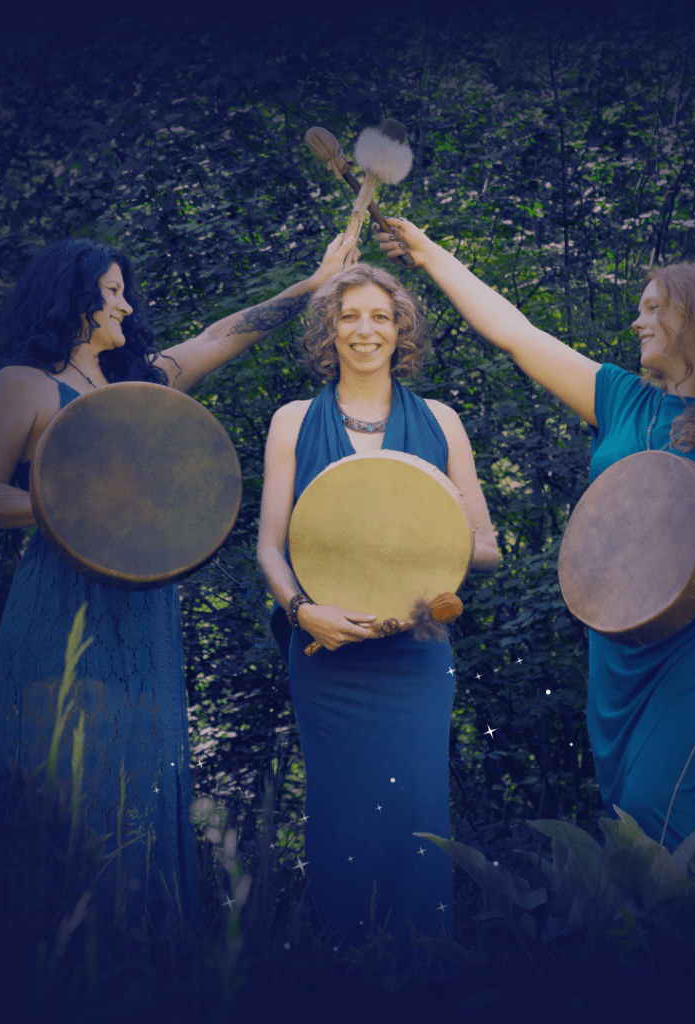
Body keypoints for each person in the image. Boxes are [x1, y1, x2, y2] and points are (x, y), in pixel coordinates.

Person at [0, 231, 359, 931]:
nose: (124, 303)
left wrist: (313, 284)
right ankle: (59, 957)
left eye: (123, 289)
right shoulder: (22, 384)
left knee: (138, 770)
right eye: (109, 291)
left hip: (144, 606)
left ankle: (142, 959)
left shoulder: (138, 385)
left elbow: (220, 336)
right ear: (70, 298)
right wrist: (74, 512)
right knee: (66, 776)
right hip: (61, 601)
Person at [378, 220, 695, 851]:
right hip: (619, 643)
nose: (639, 322)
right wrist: (428, 254)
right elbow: (515, 332)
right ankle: (652, 946)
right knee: (624, 819)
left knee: (662, 808)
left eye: (654, 308)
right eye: (639, 309)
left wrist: (679, 563)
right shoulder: (620, 399)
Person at [257, 263, 500, 954]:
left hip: (415, 658)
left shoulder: (441, 423)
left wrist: (443, 552)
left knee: (418, 813)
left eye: (380, 317)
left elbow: (486, 547)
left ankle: (420, 973)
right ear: (328, 331)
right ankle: (349, 974)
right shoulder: (293, 423)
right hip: (325, 655)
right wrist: (303, 611)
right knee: (341, 817)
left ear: (402, 331)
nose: (365, 330)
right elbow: (269, 549)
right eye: (349, 316)